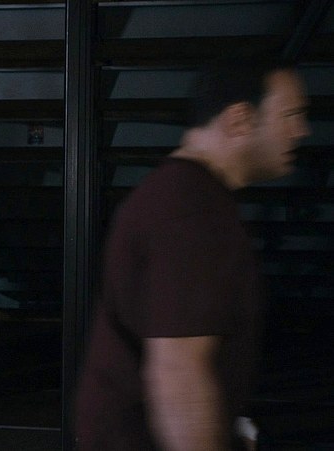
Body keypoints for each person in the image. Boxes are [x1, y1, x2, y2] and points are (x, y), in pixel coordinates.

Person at [75, 59, 310, 451]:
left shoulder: (188, 196)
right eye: (290, 115)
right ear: (239, 120)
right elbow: (179, 373)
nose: (301, 130)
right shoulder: (191, 211)